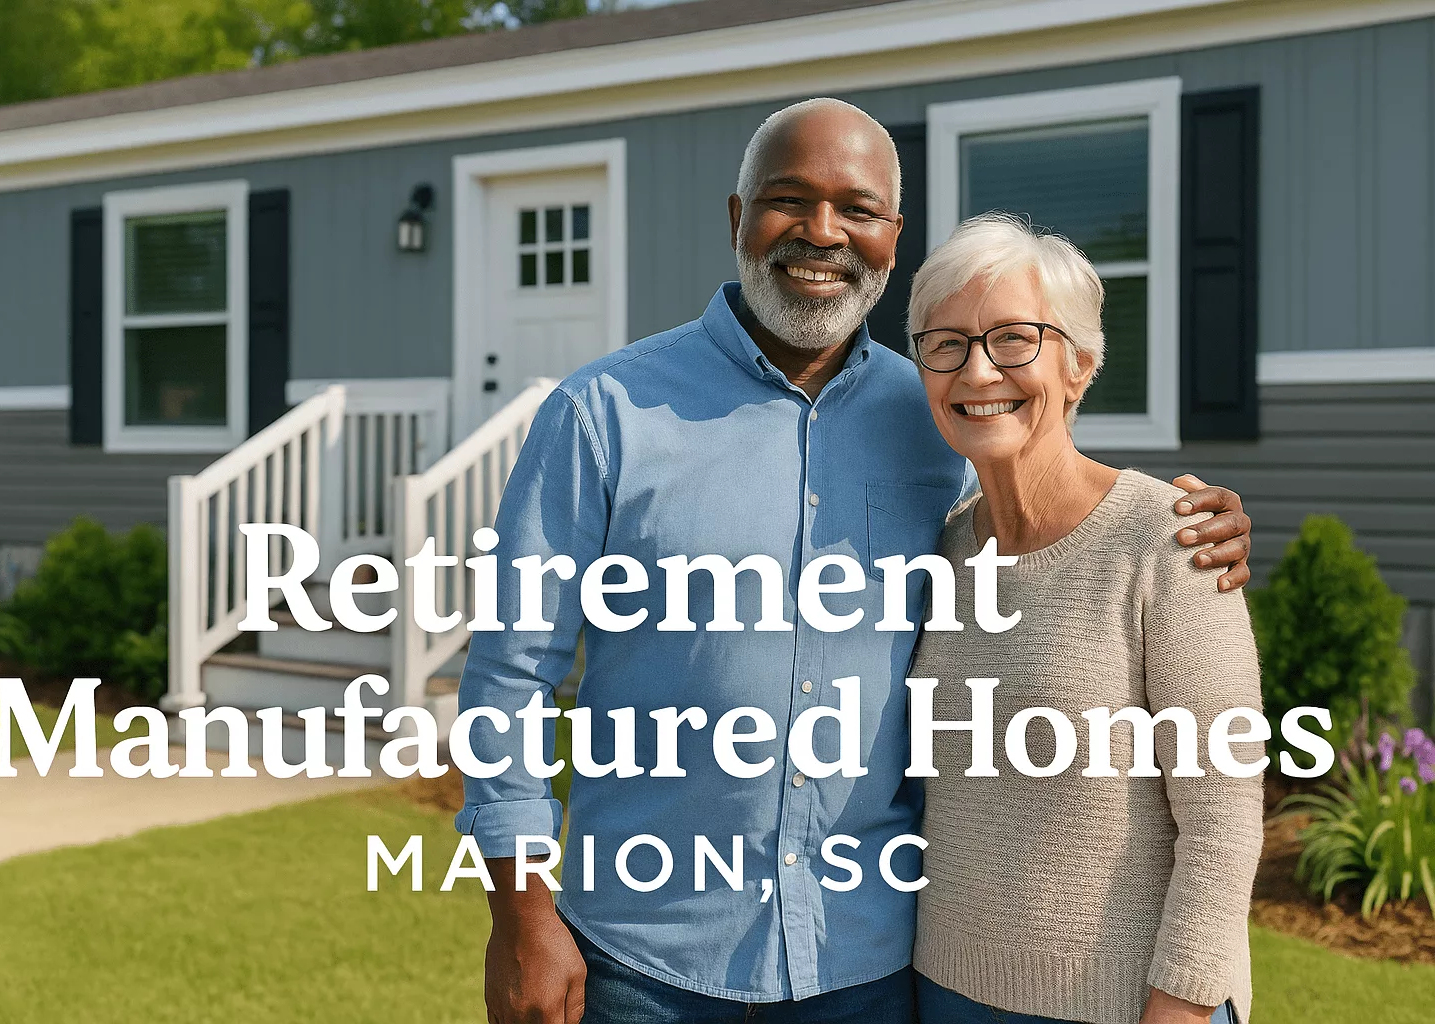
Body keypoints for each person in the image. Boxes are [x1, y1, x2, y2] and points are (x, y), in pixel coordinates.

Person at [457, 98, 1255, 1024]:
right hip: (642, 963)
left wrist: (1185, 526)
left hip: (864, 971)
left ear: (892, 235)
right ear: (736, 219)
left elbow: (1054, 506)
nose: (822, 232)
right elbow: (510, 676)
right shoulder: (604, 415)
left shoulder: (936, 421)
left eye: (858, 209)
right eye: (788, 199)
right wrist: (519, 913)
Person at [904, 212, 1263, 1024]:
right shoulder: (940, 551)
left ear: (1080, 365)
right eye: (947, 343)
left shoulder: (1171, 540)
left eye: (1014, 339)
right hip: (946, 991)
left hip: (1127, 1003)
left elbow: (1224, 823)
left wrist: (1179, 1008)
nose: (977, 370)